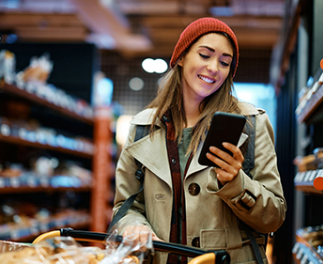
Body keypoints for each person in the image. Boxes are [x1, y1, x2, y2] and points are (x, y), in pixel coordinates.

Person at [111, 17, 287, 264]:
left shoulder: (251, 123)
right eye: (205, 55)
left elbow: (274, 217)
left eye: (225, 62)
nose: (215, 68)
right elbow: (125, 207)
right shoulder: (143, 127)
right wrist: (133, 226)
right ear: (181, 58)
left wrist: (236, 183)